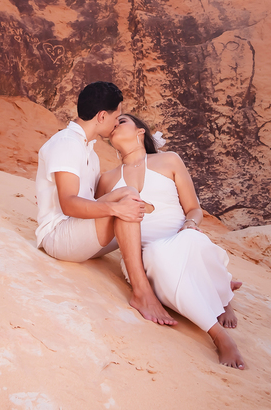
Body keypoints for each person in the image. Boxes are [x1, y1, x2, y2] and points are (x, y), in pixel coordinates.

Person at [98, 113, 246, 369]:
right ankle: (219, 334)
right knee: (157, 255)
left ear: (140, 132)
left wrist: (190, 224)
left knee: (192, 241)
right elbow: (96, 214)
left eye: (122, 121)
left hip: (181, 239)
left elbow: (194, 209)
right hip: (143, 256)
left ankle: (223, 297)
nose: (114, 125)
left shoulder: (169, 160)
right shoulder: (107, 179)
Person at [34, 82, 175, 325]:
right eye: (117, 117)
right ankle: (142, 293)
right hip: (58, 236)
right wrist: (115, 207)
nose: (116, 123)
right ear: (102, 116)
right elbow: (68, 204)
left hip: (80, 233)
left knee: (138, 210)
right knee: (127, 195)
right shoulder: (67, 143)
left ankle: (185, 280)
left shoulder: (89, 151)